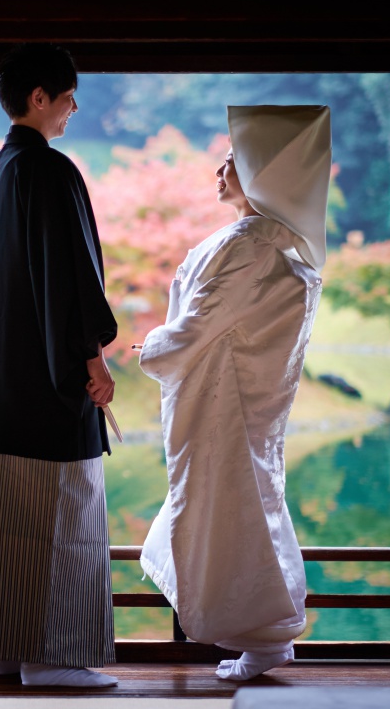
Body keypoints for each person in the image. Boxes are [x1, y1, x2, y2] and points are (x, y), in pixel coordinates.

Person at [137, 105, 332, 681]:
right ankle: (263, 636)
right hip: (237, 396)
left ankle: (265, 639)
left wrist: (148, 349)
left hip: (223, 399)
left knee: (230, 506)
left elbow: (198, 324)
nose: (219, 168)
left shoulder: (248, 242)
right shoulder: (271, 240)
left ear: (262, 174)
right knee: (244, 503)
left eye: (232, 160)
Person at [0, 43, 120, 689]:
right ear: (39, 97)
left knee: (1, 523)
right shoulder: (50, 171)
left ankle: (5, 652)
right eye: (68, 94)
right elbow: (70, 279)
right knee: (60, 518)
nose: (75, 106)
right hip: (46, 387)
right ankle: (54, 657)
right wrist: (92, 359)